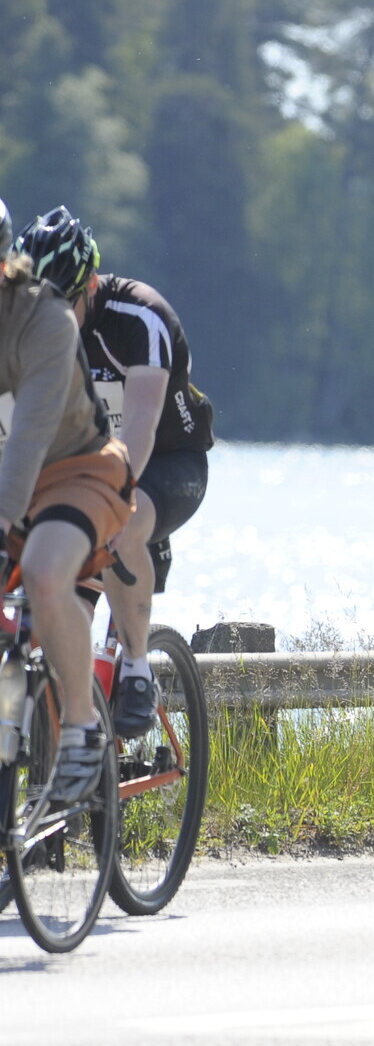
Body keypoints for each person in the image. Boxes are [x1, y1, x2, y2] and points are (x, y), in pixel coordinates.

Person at [14, 207, 213, 736]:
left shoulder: (139, 317)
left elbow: (142, 428)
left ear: (90, 285)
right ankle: (65, 762)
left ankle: (138, 669)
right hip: (82, 466)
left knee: (122, 525)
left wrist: (110, 500)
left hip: (167, 462)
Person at [0, 197, 136, 804]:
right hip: (9, 480)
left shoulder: (47, 319)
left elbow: (29, 435)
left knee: (44, 570)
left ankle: (81, 728)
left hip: (76, 471)